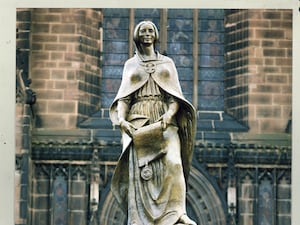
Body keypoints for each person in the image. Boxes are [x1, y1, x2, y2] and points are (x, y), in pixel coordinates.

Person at [109, 20, 197, 225]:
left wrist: (169, 114)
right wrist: (121, 120)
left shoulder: (167, 63)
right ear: (137, 36)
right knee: (138, 175)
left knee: (175, 164)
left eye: (150, 30)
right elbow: (124, 99)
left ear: (156, 35)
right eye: (143, 31)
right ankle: (137, 218)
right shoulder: (130, 65)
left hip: (163, 118)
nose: (147, 34)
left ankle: (178, 212)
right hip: (138, 120)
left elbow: (174, 97)